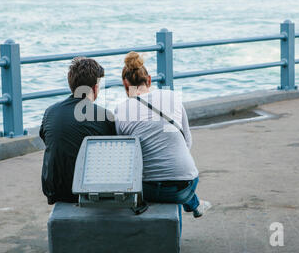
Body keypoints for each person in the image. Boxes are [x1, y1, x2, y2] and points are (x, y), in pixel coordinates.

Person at [114, 51, 211, 222]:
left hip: (146, 189)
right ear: (149, 80)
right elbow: (187, 141)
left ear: (125, 83)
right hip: (185, 185)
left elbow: (125, 157)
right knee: (177, 183)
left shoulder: (121, 110)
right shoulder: (172, 97)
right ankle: (193, 204)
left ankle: (193, 204)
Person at [40, 57, 116, 205]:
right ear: (95, 88)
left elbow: (47, 140)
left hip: (54, 189)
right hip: (85, 190)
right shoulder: (104, 116)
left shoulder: (50, 112)